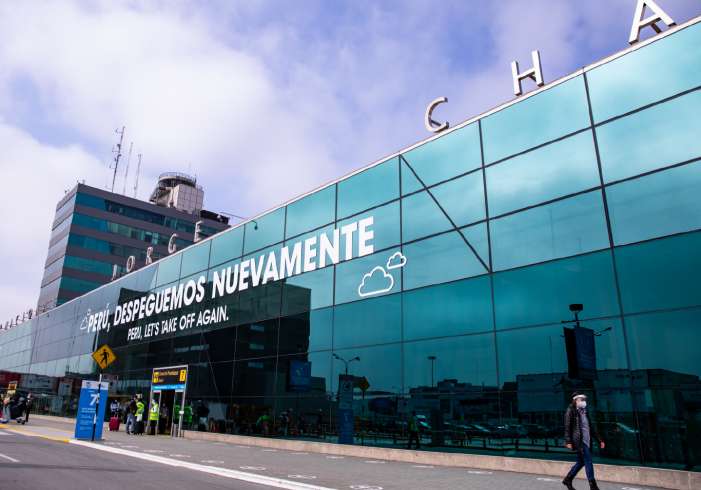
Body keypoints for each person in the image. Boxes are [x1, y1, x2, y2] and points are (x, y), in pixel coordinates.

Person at [563, 393, 605, 490]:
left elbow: (590, 427)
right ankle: (593, 485)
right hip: (579, 440)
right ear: (575, 400)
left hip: (587, 440)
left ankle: (568, 479)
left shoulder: (584, 411)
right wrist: (568, 441)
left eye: (584, 399)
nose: (583, 401)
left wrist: (599, 440)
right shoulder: (570, 410)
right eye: (581, 399)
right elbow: (567, 427)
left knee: (581, 462)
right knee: (588, 460)